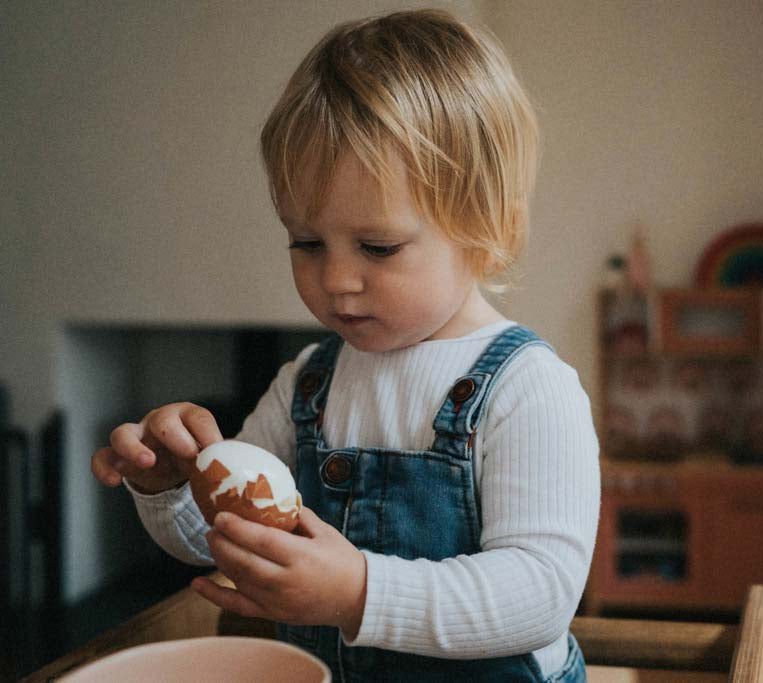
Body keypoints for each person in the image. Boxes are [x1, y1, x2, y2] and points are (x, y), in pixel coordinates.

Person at [90, 8, 599, 682]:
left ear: (487, 226)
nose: (335, 280)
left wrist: (360, 590)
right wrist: (170, 488)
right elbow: (231, 546)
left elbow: (540, 592)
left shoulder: (528, 388)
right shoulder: (307, 383)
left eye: (378, 246)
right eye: (306, 242)